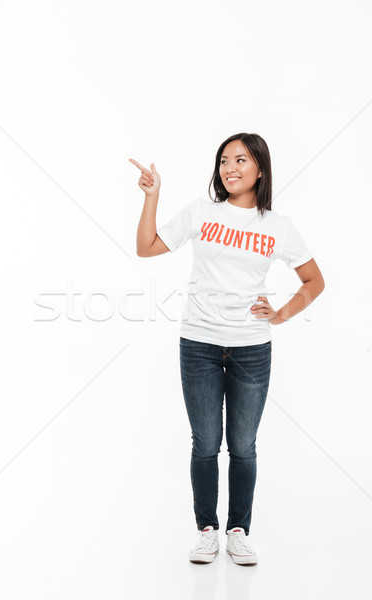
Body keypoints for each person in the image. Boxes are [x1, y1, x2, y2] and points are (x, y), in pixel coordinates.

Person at [129, 133, 325, 566]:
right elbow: (146, 248)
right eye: (223, 160)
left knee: (243, 444)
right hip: (198, 343)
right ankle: (206, 531)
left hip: (251, 349)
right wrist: (152, 195)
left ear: (260, 169)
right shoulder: (201, 213)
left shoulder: (278, 227)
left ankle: (237, 530)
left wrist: (280, 314)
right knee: (205, 443)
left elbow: (315, 281)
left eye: (240, 159)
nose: (230, 168)